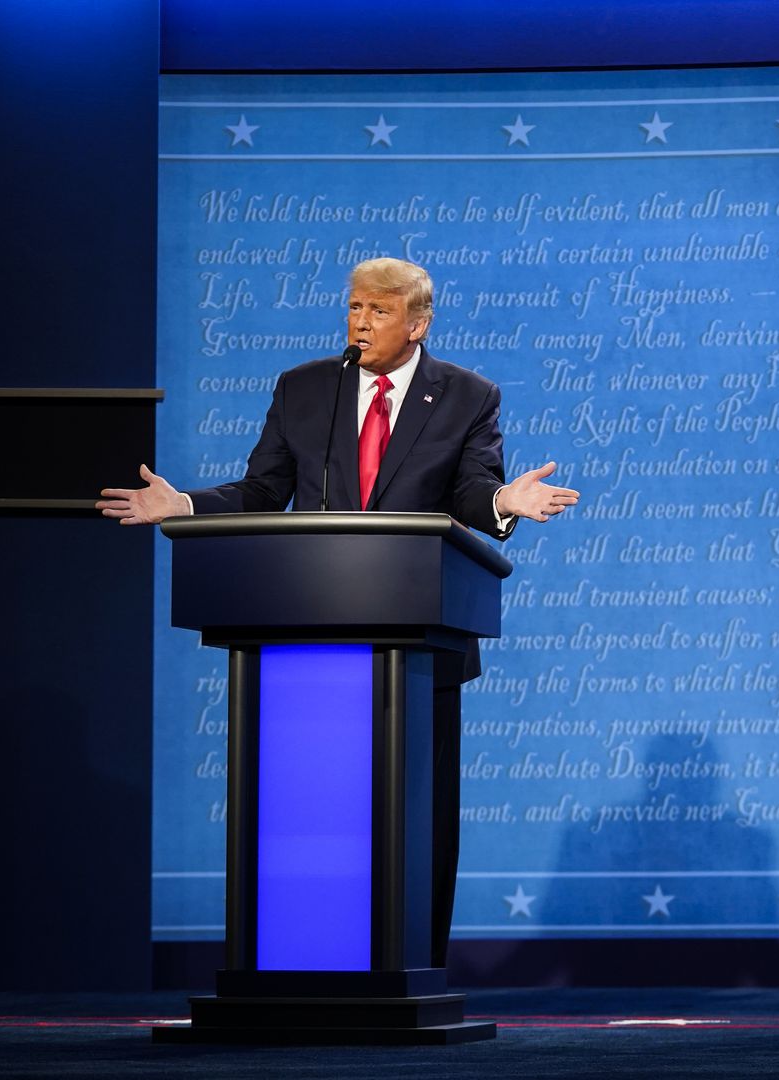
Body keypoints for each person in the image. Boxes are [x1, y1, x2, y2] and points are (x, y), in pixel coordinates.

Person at [98, 256, 580, 969]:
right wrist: (188, 504)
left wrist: (503, 502)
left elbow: (471, 489)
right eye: (355, 307)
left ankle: (415, 968)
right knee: (312, 811)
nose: (361, 322)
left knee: (414, 815)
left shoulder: (467, 395)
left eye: (379, 311)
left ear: (417, 324)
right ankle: (301, 966)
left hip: (419, 644)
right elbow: (264, 492)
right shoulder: (304, 388)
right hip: (306, 639)